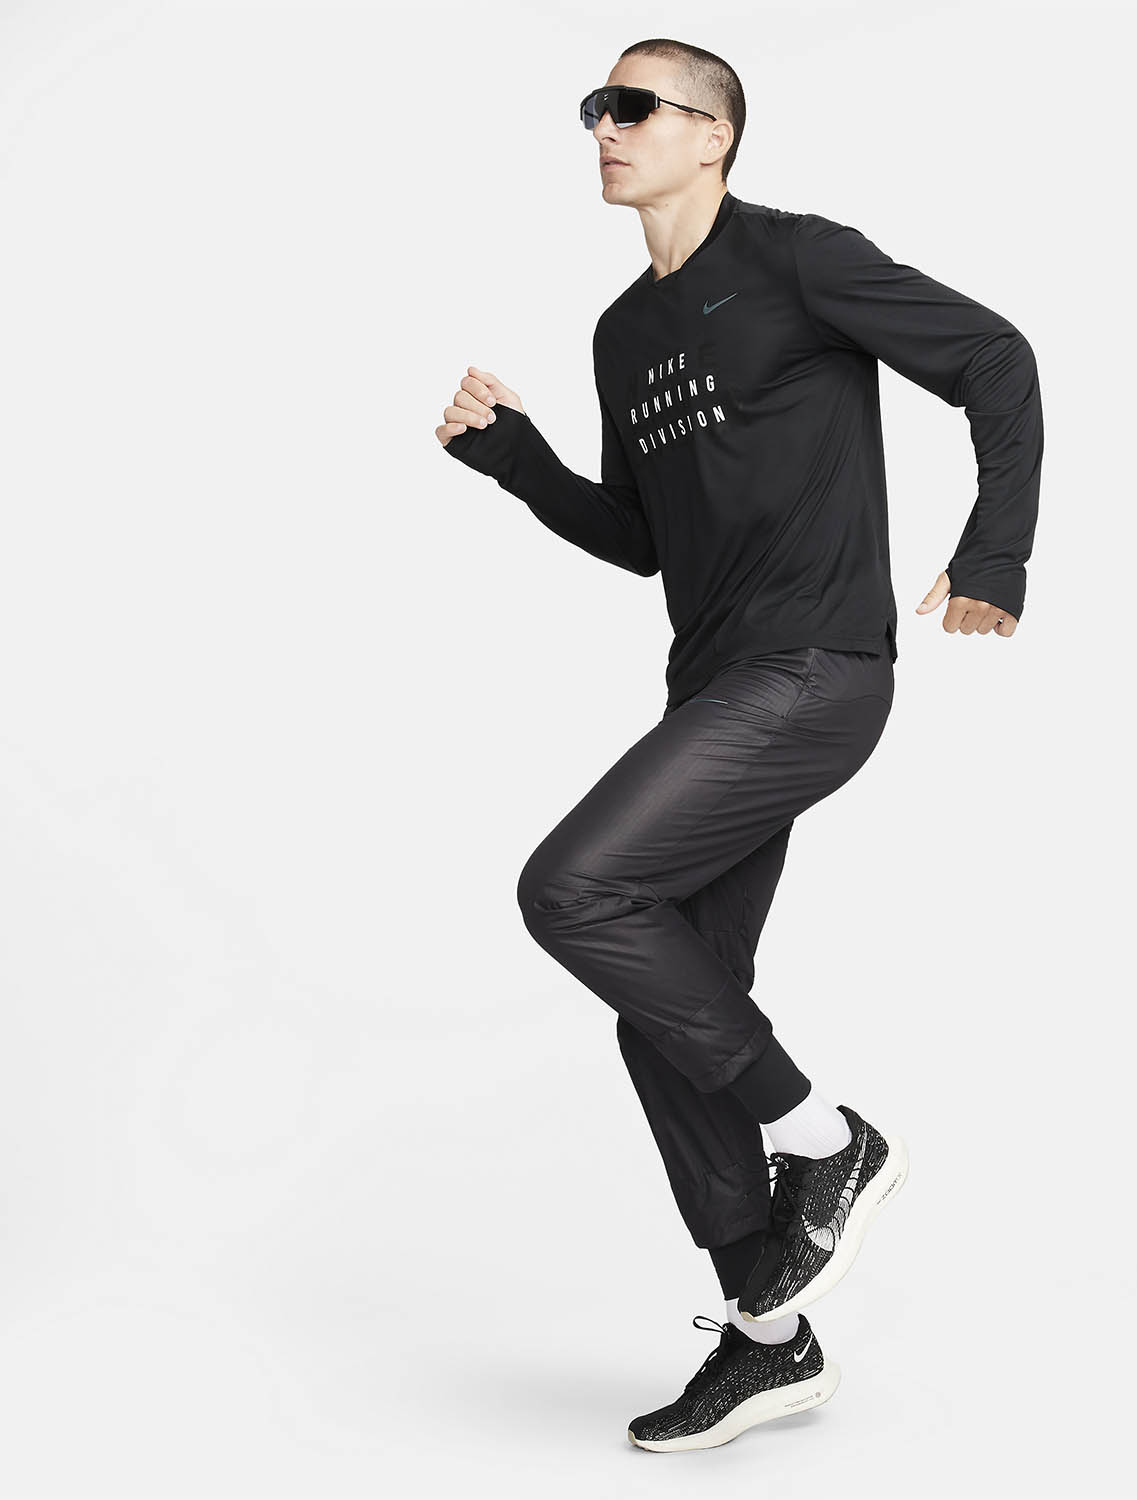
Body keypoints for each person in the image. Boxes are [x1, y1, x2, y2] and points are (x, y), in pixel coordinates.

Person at [434, 38, 1043, 1452]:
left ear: (712, 135)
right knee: (670, 1007)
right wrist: (517, 461)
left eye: (634, 106)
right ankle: (770, 1341)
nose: (605, 127)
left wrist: (994, 553)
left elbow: (994, 357)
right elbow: (644, 539)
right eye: (595, 108)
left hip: (816, 670)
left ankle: (829, 1141)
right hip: (710, 689)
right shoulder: (623, 334)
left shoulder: (797, 259)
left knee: (573, 889)